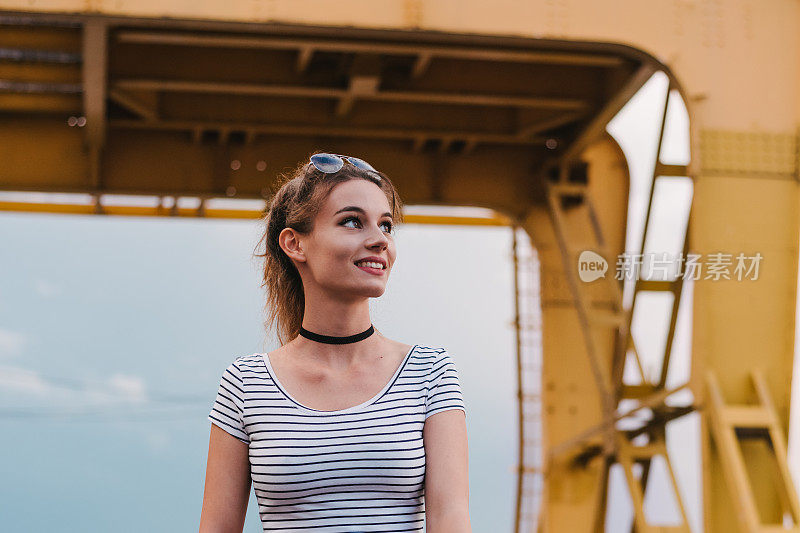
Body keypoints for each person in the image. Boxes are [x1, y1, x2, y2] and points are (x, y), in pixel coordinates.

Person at [199, 152, 471, 532]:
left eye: (387, 225)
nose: (379, 240)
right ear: (295, 244)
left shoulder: (430, 373)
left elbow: (451, 519)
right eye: (352, 222)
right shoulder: (245, 383)